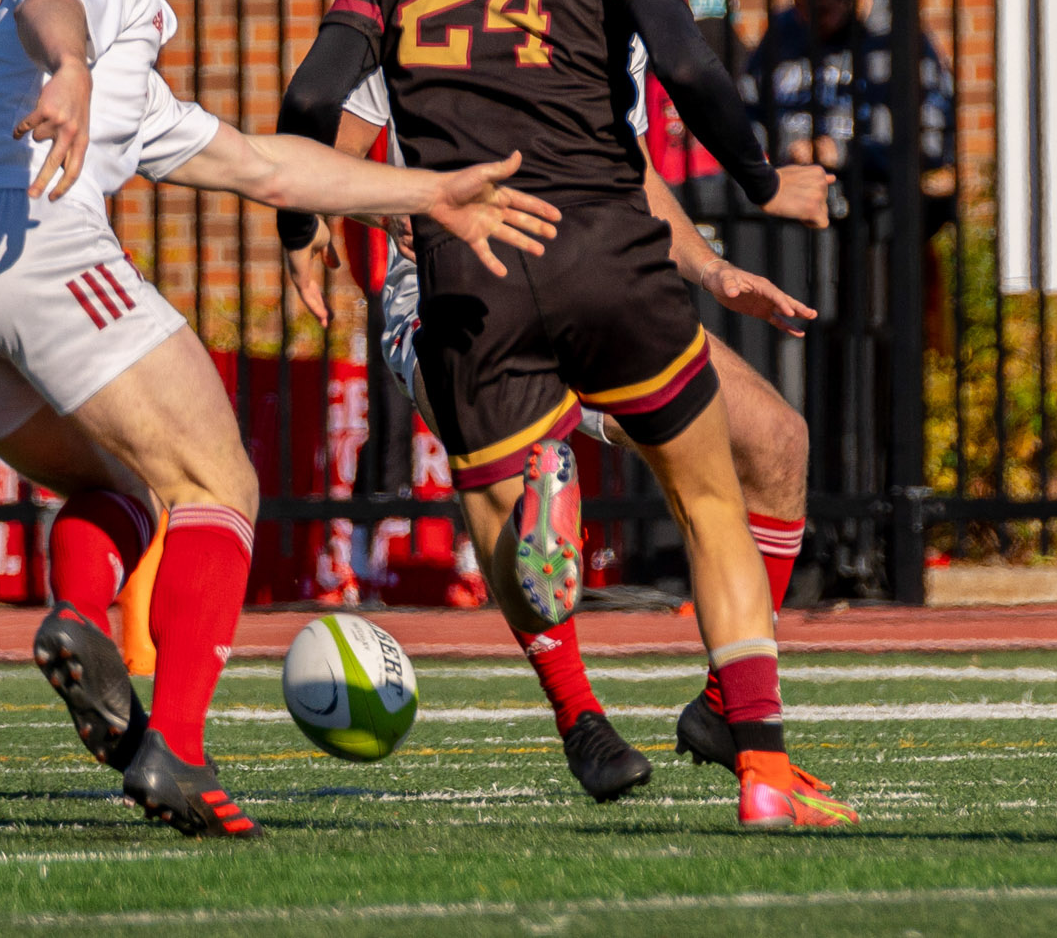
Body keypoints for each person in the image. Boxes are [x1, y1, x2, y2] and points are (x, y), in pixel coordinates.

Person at [0, 0, 561, 839]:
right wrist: (64, 64)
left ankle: (79, 623)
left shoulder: (122, 78)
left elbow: (254, 162)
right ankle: (179, 753)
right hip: (23, 244)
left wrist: (425, 193)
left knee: (127, 488)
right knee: (221, 483)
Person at [272, 0, 855, 829]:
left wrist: (711, 263)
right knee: (700, 497)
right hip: (567, 265)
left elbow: (315, 112)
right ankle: (629, 730)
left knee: (771, 441)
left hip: (475, 276)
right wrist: (757, 177)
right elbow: (684, 74)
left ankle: (705, 707)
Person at [283, 60, 826, 803]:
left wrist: (710, 268)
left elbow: (628, 167)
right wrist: (390, 205)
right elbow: (326, 143)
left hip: (594, 291)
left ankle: (727, 710)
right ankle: (580, 717)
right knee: (532, 483)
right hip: (459, 301)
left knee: (774, 440)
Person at [740, 0, 956, 205]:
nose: (807, 19)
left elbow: (929, 143)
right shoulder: (783, 30)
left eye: (821, 10)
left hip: (871, 202)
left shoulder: (895, 40)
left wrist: (841, 153)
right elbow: (747, 110)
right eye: (799, 7)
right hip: (788, 197)